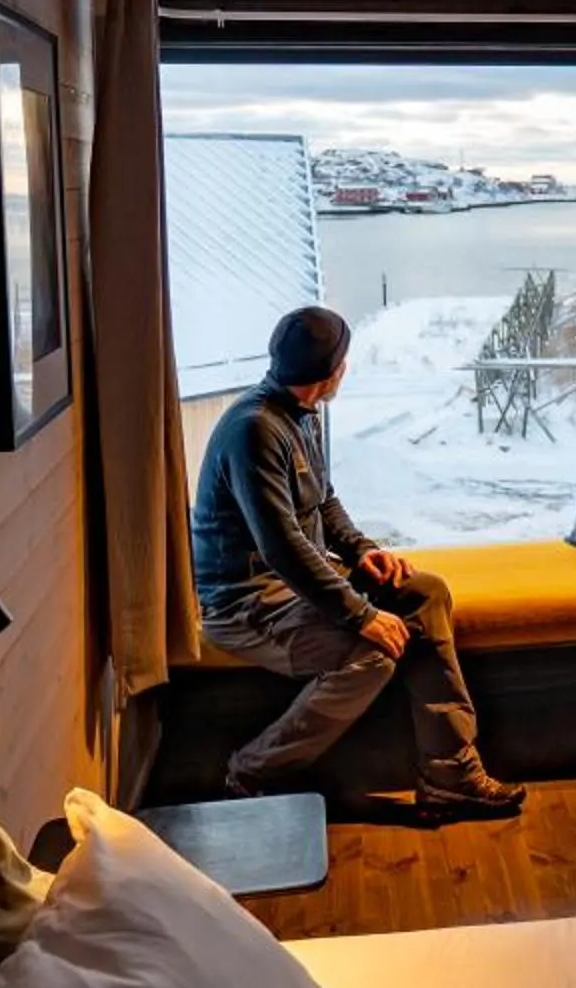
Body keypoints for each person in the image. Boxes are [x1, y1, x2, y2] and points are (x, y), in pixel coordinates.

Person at [190, 305, 527, 817]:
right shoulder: (254, 429)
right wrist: (361, 615)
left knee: (425, 593)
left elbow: (323, 499)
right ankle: (252, 772)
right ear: (333, 371)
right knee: (372, 652)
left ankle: (450, 774)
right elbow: (282, 547)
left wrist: (362, 550)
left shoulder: (300, 415)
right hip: (247, 603)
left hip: (293, 584)